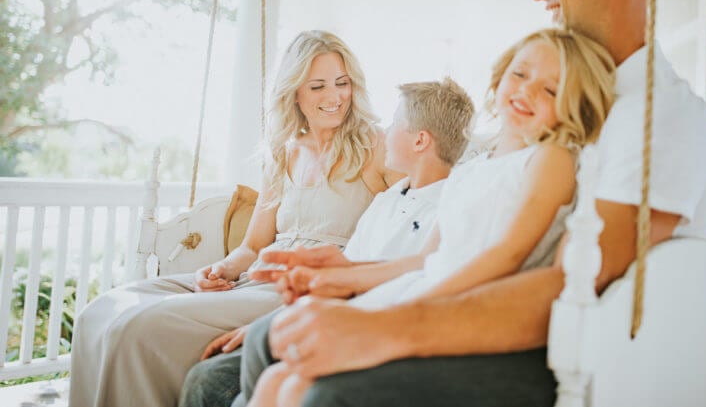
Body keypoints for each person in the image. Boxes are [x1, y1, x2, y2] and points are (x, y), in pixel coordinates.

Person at [236, 0, 706, 407]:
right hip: (505, 311)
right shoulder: (577, 116)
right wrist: (346, 274)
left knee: (319, 387)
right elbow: (446, 256)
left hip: (593, 355)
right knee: (265, 343)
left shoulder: (656, 117)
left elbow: (571, 282)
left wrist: (385, 327)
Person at [249, 27, 616, 407]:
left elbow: (509, 255)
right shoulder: (473, 168)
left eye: (551, 90)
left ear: (574, 104)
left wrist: (419, 307)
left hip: (456, 304)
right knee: (278, 379)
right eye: (520, 75)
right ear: (501, 75)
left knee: (299, 386)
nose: (526, 92)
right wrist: (334, 275)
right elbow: (424, 259)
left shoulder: (549, 158)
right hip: (424, 286)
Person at [68, 30, 400, 407]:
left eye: (342, 83)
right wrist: (219, 270)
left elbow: (416, 215)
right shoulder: (284, 153)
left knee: (136, 328)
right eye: (318, 86)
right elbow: (254, 246)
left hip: (299, 288)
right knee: (98, 314)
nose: (335, 97)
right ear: (294, 94)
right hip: (253, 276)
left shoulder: (376, 146)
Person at [178, 77, 476, 407]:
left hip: (357, 331)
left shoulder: (449, 208)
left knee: (215, 381)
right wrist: (267, 323)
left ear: (420, 141)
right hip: (325, 318)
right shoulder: (387, 200)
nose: (384, 133)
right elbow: (344, 278)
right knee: (205, 376)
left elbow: (403, 288)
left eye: (394, 124)